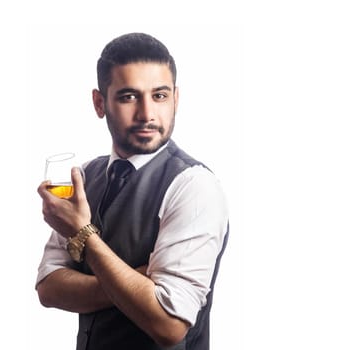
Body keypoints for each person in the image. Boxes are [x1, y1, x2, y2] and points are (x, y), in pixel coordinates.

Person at [35, 32, 229, 350]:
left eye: (160, 96)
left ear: (176, 99)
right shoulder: (85, 176)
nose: (147, 114)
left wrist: (82, 234)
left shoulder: (195, 187)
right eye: (128, 97)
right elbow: (48, 288)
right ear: (100, 103)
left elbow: (169, 326)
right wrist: (136, 282)